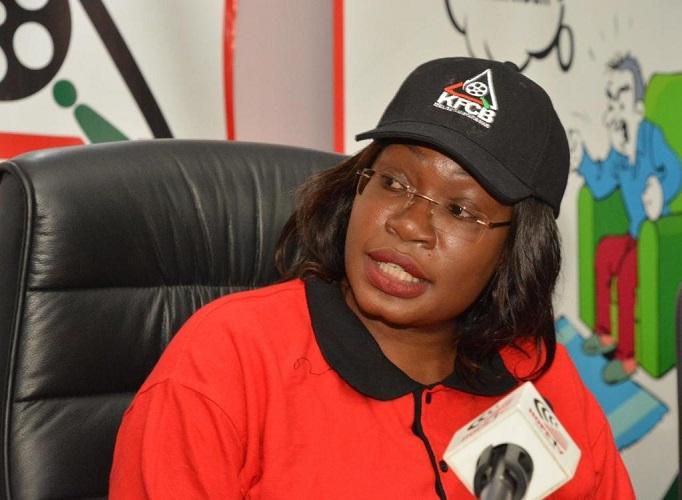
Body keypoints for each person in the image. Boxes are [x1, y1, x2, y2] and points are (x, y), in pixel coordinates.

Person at [109, 57, 634, 499]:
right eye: (394, 182)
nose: (408, 224)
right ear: (355, 187)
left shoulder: (536, 371)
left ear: (517, 251)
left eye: (460, 210)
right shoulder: (226, 360)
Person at [574, 54, 682, 384]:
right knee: (605, 253)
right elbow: (603, 184)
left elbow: (674, 170)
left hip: (656, 235)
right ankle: (605, 332)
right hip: (634, 233)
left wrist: (660, 189)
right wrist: (583, 161)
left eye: (622, 93)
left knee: (626, 272)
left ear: (638, 104)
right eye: (611, 96)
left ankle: (628, 356)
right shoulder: (620, 147)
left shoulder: (650, 135)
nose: (616, 103)